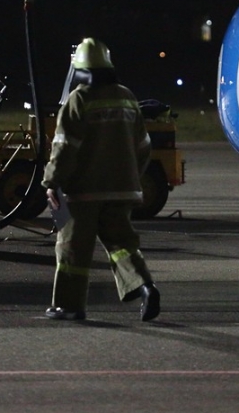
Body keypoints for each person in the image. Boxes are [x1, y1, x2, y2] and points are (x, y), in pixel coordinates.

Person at [41, 38, 160, 322]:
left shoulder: (79, 99)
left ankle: (69, 306)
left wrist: (51, 182)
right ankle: (145, 286)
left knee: (72, 249)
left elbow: (65, 147)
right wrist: (132, 177)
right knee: (122, 245)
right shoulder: (127, 97)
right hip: (123, 190)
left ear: (81, 69)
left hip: (83, 193)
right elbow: (144, 146)